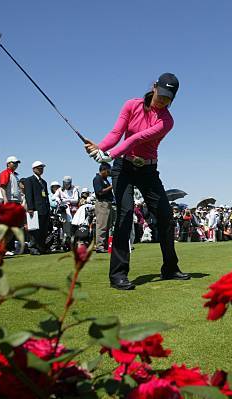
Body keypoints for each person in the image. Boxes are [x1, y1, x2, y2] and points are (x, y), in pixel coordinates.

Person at [84, 72, 190, 290]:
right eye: (160, 94)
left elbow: (136, 139)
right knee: (124, 215)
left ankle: (170, 268)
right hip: (123, 167)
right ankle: (118, 275)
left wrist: (108, 154)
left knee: (165, 216)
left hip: (148, 170)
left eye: (168, 98)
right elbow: (117, 133)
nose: (162, 100)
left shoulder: (166, 121)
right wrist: (100, 148)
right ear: (154, 87)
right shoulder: (131, 105)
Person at [25, 161, 51, 255]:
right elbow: (28, 195)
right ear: (34, 169)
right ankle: (33, 247)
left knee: (43, 229)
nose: (41, 169)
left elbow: (46, 196)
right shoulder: (29, 180)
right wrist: (30, 208)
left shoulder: (43, 182)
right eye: (39, 168)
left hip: (44, 208)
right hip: (35, 209)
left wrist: (48, 208)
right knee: (34, 229)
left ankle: (41, 247)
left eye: (42, 168)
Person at [93, 162, 113, 253]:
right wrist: (111, 187)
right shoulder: (97, 178)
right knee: (102, 225)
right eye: (108, 171)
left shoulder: (105, 179)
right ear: (103, 170)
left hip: (107, 203)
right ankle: (99, 246)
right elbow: (99, 191)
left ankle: (104, 245)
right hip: (102, 203)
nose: (109, 173)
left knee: (107, 226)